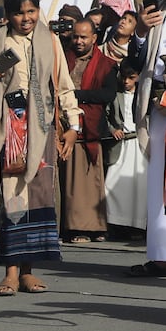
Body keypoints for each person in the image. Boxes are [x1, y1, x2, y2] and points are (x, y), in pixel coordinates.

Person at [0, 0, 81, 296]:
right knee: (13, 200)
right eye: (19, 13)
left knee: (37, 198)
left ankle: (28, 271)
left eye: (31, 11)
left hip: (43, 129)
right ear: (8, 15)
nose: (26, 18)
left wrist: (72, 126)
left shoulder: (49, 41)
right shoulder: (0, 42)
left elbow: (63, 86)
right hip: (11, 128)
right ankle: (9, 272)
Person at [61, 19, 117, 243]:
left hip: (89, 127)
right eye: (75, 37)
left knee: (87, 182)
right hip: (65, 125)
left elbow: (108, 95)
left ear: (94, 38)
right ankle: (70, 227)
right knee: (68, 182)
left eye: (84, 37)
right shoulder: (64, 58)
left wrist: (78, 95)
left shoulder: (106, 64)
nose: (79, 41)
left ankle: (91, 227)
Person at [129, 0, 166, 276]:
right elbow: (136, 62)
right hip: (159, 105)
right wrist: (141, 32)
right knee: (158, 181)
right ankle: (161, 255)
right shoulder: (159, 16)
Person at [104, 58, 147, 237]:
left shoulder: (145, 96)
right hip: (121, 145)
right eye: (124, 77)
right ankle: (115, 225)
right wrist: (113, 129)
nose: (127, 82)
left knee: (140, 186)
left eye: (132, 78)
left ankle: (138, 226)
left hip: (140, 145)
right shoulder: (116, 95)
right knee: (112, 185)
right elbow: (105, 115)